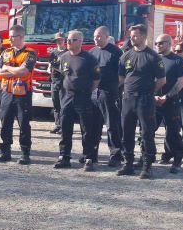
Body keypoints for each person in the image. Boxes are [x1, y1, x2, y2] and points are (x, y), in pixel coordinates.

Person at [117, 24, 165, 179]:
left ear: (144, 37)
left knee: (146, 133)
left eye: (135, 36)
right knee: (126, 132)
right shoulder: (126, 56)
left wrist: (150, 92)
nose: (132, 38)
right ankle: (128, 164)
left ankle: (147, 165)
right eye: (131, 36)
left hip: (145, 100)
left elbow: (161, 80)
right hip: (128, 99)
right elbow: (122, 78)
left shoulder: (153, 56)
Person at [53, 30, 101, 171]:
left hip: (83, 97)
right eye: (68, 40)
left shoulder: (89, 59)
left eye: (72, 40)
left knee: (86, 129)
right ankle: (64, 156)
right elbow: (63, 75)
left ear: (80, 42)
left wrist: (86, 91)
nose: (68, 42)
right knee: (65, 128)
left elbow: (96, 80)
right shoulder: (64, 57)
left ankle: (88, 157)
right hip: (67, 97)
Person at [0, 24, 37, 164]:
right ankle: (5, 152)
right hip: (6, 93)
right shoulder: (5, 52)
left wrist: (8, 68)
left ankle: (25, 153)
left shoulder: (30, 53)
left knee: (24, 124)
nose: (10, 39)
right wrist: (14, 69)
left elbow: (24, 72)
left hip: (22, 94)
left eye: (13, 37)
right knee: (5, 122)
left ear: (21, 37)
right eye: (9, 36)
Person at [90, 26, 124, 167]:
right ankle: (91, 154)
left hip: (109, 93)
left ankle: (115, 155)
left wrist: (116, 89)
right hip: (94, 93)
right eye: (95, 37)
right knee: (93, 126)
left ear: (106, 37)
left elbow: (122, 75)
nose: (96, 39)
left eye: (99, 36)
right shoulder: (92, 52)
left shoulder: (116, 52)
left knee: (112, 126)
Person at [154, 34, 183, 174]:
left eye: (161, 43)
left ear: (169, 43)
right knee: (147, 130)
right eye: (156, 43)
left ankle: (178, 159)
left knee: (173, 132)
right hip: (154, 101)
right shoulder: (155, 59)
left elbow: (181, 82)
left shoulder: (178, 60)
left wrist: (166, 96)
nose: (158, 46)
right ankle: (145, 157)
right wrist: (154, 96)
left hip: (170, 101)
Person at [48, 33, 66, 134]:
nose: (59, 42)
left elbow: (67, 69)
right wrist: (50, 69)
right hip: (54, 81)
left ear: (64, 40)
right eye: (57, 40)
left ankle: (64, 126)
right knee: (56, 105)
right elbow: (50, 66)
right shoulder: (53, 53)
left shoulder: (68, 53)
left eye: (61, 40)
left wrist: (56, 68)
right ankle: (57, 125)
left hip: (64, 82)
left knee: (64, 105)